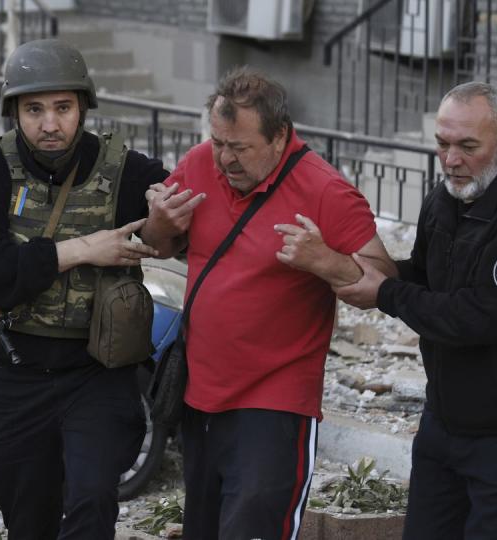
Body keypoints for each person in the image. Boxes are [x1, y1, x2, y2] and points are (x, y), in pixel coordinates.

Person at [141, 66, 396, 539]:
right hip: (201, 394)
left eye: (240, 148)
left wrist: (326, 261)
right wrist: (158, 222)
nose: (225, 160)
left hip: (276, 402)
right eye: (219, 142)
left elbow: (385, 285)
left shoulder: (326, 191)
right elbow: (158, 245)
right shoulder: (200, 163)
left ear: (280, 137)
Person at [330, 81, 497, 539]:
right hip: (445, 425)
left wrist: (385, 293)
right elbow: (424, 276)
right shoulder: (444, 199)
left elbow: (478, 317)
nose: (450, 160)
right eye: (442, 144)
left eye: (467, 146)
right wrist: (357, 269)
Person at [0, 38, 169, 539]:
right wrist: (84, 248)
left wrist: (166, 218)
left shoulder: (126, 170)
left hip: (97, 374)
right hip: (16, 372)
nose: (50, 124)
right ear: (15, 112)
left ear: (83, 107)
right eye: (34, 109)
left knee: (92, 502)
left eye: (63, 108)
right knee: (27, 515)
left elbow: (174, 229)